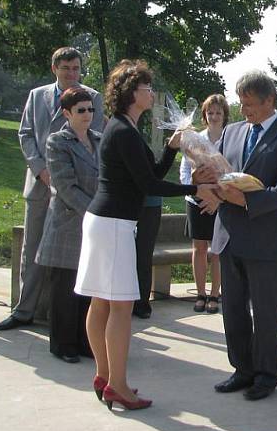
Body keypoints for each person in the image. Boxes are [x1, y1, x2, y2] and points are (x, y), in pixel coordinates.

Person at [75, 59, 218, 411]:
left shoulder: (124, 128)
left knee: (101, 303)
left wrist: (170, 148)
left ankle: (105, 376)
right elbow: (150, 185)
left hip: (104, 222)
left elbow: (150, 172)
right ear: (130, 93)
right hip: (113, 226)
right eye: (147, 88)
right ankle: (118, 386)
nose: (152, 93)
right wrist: (195, 187)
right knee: (120, 308)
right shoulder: (123, 131)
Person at [211, 70, 277, 401]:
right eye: (241, 103)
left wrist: (247, 199)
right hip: (228, 235)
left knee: (265, 313)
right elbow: (218, 170)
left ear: (270, 100)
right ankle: (242, 369)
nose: (244, 110)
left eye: (250, 104)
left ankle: (266, 375)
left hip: (265, 240)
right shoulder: (232, 131)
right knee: (233, 309)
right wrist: (206, 178)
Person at [0, 47, 104, 331]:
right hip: (40, 184)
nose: (71, 73)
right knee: (31, 249)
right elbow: (26, 134)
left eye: (77, 68)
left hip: (76, 192)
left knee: (72, 256)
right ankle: (24, 310)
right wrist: (40, 169)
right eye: (66, 68)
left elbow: (97, 140)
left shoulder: (92, 97)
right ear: (54, 68)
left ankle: (71, 322)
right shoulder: (37, 95)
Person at [35, 87, 101, 363]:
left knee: (87, 287)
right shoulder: (57, 142)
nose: (87, 115)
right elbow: (64, 185)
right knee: (65, 288)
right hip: (68, 224)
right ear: (66, 113)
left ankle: (86, 341)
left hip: (96, 226)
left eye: (90, 109)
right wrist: (96, 211)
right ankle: (63, 344)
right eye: (81, 110)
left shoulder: (99, 140)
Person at [180, 94, 229, 314]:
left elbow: (234, 173)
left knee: (217, 250)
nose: (214, 116)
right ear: (204, 115)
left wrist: (218, 200)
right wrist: (197, 190)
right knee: (199, 248)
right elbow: (184, 173)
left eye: (218, 112)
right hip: (197, 200)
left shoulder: (231, 138)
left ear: (225, 115)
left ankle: (215, 295)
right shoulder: (194, 139)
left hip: (222, 202)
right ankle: (200, 293)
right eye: (210, 112)